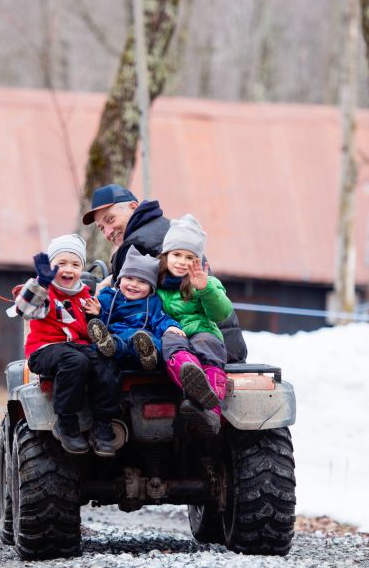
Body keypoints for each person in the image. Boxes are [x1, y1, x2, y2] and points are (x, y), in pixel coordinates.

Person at [83, 183, 248, 363]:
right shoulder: (170, 231)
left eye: (111, 219)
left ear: (133, 207)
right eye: (101, 228)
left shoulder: (135, 245)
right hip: (225, 344)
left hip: (196, 347)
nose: (107, 232)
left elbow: (130, 308)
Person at [7, 234, 121, 457]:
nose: (68, 269)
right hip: (46, 349)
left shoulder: (84, 295)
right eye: (61, 264)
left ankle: (103, 425)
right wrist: (41, 282)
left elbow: (92, 330)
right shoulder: (44, 293)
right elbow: (25, 309)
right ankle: (67, 423)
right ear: (50, 267)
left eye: (75, 264)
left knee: (105, 362)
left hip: (77, 347)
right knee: (74, 361)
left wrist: (96, 315)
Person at [156, 215, 233, 435]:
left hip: (202, 331)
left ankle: (212, 412)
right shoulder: (155, 283)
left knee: (207, 345)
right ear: (166, 256)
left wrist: (205, 289)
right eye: (177, 254)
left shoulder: (205, 281)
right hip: (173, 332)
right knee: (171, 342)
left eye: (189, 257)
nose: (181, 261)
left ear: (197, 259)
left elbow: (222, 312)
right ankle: (191, 378)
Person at [87, 247, 183, 371]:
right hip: (117, 336)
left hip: (141, 337)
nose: (134, 285)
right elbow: (102, 320)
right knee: (115, 340)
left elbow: (160, 319)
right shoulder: (109, 297)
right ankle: (108, 347)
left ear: (151, 288)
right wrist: (97, 312)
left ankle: (149, 355)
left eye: (142, 281)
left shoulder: (151, 302)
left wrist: (171, 326)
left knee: (150, 339)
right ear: (120, 280)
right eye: (129, 278)